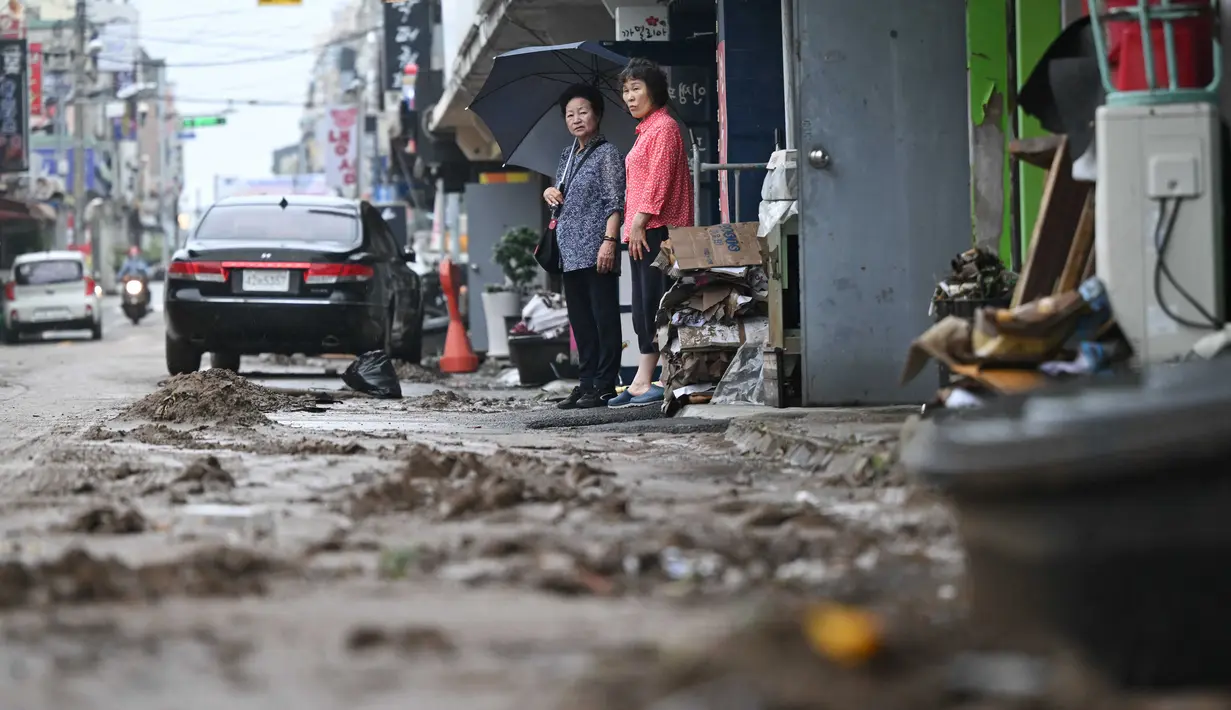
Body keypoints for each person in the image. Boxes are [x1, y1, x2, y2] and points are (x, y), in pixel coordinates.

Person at [608, 58, 694, 408]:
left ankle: (663, 379)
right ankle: (642, 381)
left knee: (661, 305)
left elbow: (658, 181)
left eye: (636, 89)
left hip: (658, 230)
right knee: (644, 308)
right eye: (625, 91)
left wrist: (640, 221)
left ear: (654, 91)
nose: (629, 97)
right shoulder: (646, 130)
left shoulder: (665, 128)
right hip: (641, 231)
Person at [543, 83, 626, 410]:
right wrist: (550, 192)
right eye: (569, 114)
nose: (576, 119)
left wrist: (609, 241)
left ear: (598, 114)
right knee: (581, 322)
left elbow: (614, 202)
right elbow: (564, 197)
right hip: (570, 253)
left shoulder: (607, 154)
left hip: (597, 249)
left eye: (583, 112)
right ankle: (586, 382)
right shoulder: (567, 156)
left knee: (603, 318)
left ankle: (605, 385)